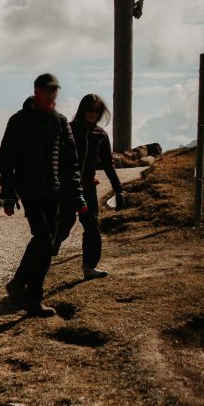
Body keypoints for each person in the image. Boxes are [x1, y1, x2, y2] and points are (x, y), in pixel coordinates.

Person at [0, 73, 86, 317]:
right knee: (45, 238)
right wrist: (8, 194)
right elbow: (6, 160)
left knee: (46, 243)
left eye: (54, 90)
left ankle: (19, 284)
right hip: (30, 189)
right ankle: (33, 297)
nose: (52, 95)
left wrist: (78, 194)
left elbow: (72, 162)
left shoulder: (60, 121)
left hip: (55, 191)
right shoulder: (19, 121)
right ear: (36, 90)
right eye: (47, 90)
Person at [55, 94, 124, 279]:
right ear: (82, 109)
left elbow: (109, 164)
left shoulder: (100, 135)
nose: (93, 113)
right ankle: (43, 258)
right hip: (66, 188)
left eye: (96, 110)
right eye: (89, 109)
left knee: (92, 227)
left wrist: (119, 190)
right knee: (64, 226)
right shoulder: (68, 129)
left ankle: (89, 267)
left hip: (88, 187)